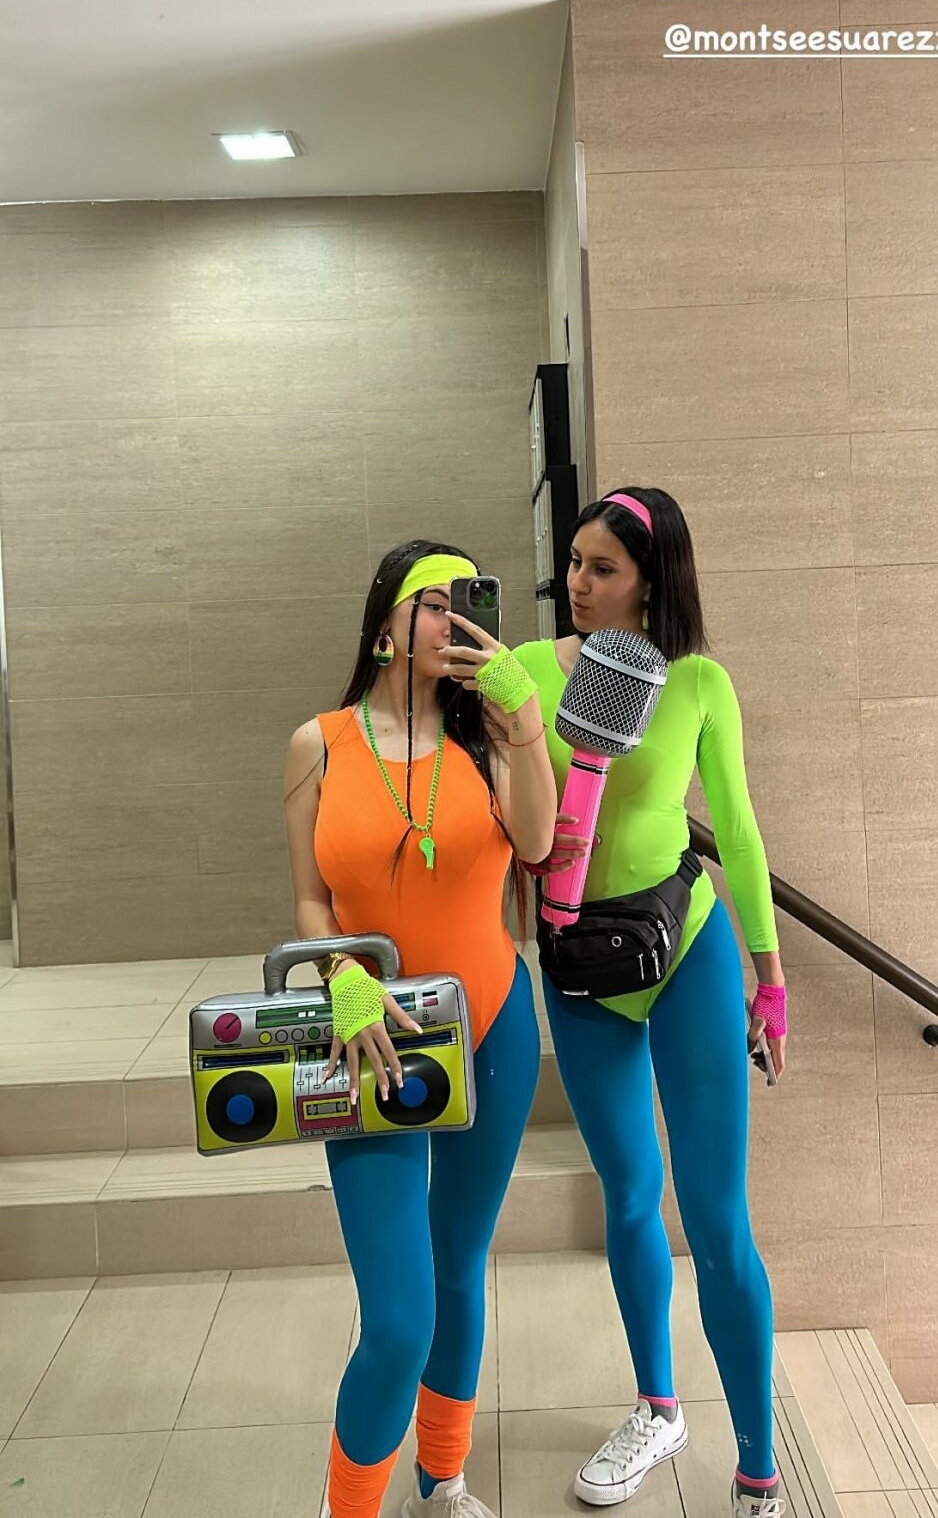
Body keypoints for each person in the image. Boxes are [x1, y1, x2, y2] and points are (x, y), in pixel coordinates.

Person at [512, 486, 788, 1518]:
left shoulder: (700, 682)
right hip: (579, 962)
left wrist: (769, 977)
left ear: (649, 579)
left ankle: (757, 1465)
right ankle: (656, 1407)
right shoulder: (530, 671)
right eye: (573, 563)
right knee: (628, 1195)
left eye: (602, 568)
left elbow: (739, 832)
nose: (577, 584)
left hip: (685, 953)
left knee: (716, 1217)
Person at [284, 539, 557, 1518]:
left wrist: (524, 720)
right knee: (400, 1319)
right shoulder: (318, 744)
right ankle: (349, 1508)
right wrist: (341, 976)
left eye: (464, 602)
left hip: (492, 1030)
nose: (452, 619)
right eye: (433, 602)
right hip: (371, 1041)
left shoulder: (490, 738)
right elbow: (310, 898)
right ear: (385, 625)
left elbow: (537, 844)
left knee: (458, 1268)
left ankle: (442, 1480)